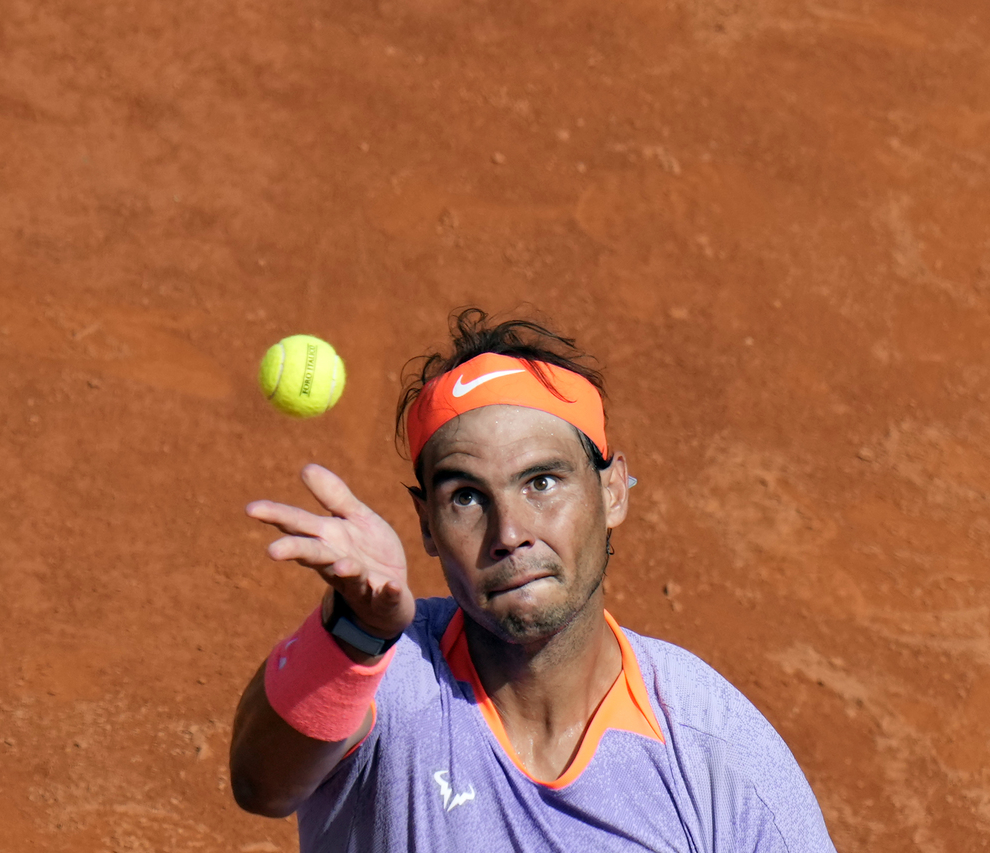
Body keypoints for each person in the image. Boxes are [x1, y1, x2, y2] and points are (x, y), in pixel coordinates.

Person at [230, 309, 837, 851]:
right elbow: (261, 784)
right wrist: (356, 632)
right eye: (466, 497)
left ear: (612, 490)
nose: (510, 533)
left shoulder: (713, 748)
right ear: (426, 524)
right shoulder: (383, 674)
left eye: (542, 482)